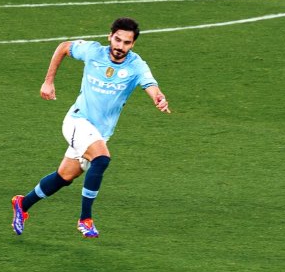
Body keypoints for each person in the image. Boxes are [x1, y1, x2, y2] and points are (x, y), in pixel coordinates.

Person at [11, 17, 170, 238]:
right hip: (77, 121)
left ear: (132, 45)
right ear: (110, 37)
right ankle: (85, 219)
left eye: (126, 43)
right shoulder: (93, 51)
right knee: (102, 159)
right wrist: (48, 81)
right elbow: (64, 47)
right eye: (117, 40)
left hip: (99, 133)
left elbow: (150, 85)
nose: (120, 46)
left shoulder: (136, 65)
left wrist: (158, 98)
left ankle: (22, 204)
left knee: (64, 177)